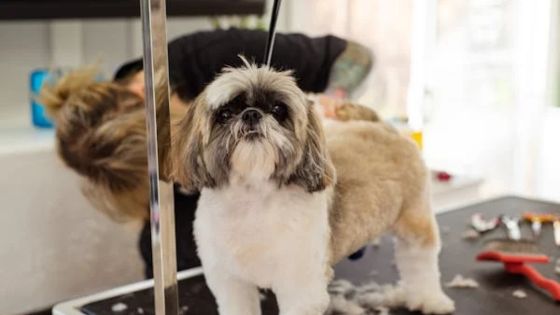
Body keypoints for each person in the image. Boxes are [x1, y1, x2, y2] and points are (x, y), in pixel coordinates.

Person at [41, 28, 374, 278]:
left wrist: (335, 98)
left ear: (147, 93)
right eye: (166, 172)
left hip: (286, 175)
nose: (180, 171)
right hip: (208, 202)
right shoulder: (107, 149)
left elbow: (354, 54)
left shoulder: (213, 56)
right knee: (164, 256)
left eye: (173, 152)